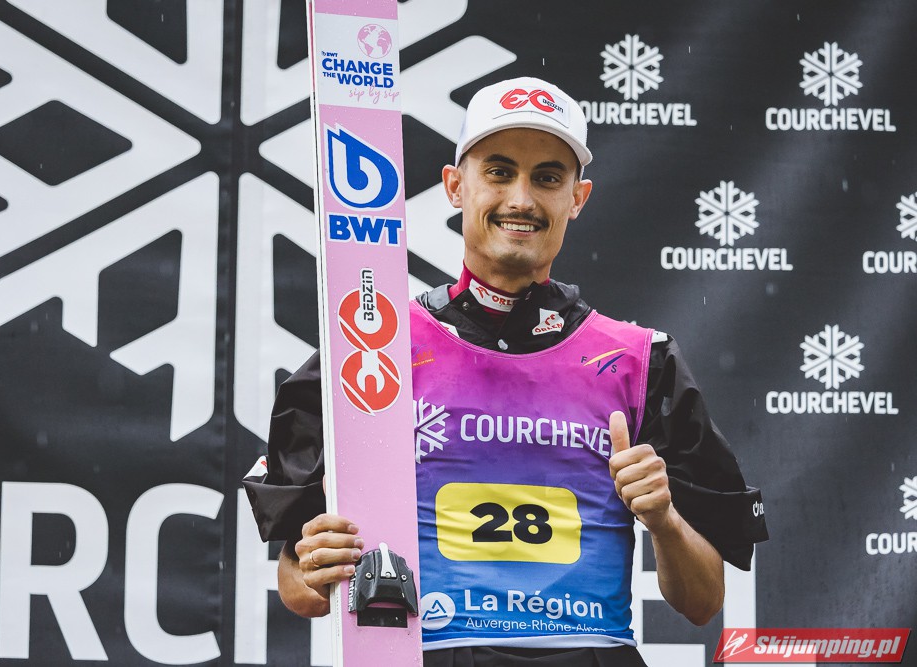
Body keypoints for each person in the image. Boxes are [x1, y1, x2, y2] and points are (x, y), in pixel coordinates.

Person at [246, 76, 768, 666]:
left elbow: (703, 602)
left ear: (577, 198)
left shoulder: (643, 360)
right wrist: (315, 562)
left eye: (547, 177)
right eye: (499, 172)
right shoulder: (372, 347)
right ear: (455, 185)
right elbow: (299, 590)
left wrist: (663, 519)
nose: (521, 199)